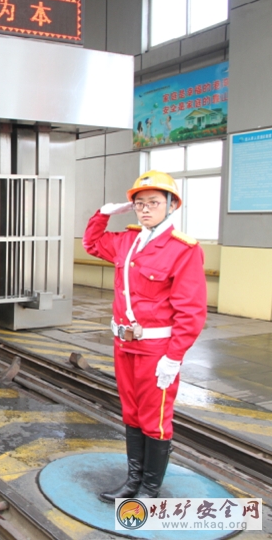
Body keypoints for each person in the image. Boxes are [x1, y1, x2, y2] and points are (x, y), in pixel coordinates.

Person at [83, 170, 207, 500]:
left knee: (156, 419)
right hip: (124, 344)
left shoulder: (184, 250)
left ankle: (150, 489)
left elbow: (192, 311)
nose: (145, 209)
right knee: (132, 414)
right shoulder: (127, 240)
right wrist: (103, 214)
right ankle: (132, 482)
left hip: (157, 349)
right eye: (139, 203)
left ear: (171, 205)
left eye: (154, 202)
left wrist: (174, 356)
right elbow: (92, 244)